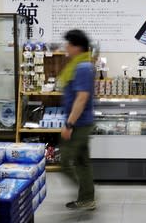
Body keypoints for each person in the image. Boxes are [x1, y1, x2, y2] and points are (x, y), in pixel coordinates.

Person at [59, 29, 96, 211]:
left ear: (77, 46)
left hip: (78, 124)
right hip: (81, 122)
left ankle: (87, 194)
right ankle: (87, 197)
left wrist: (69, 124)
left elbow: (81, 98)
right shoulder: (80, 65)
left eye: (69, 44)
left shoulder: (82, 67)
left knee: (65, 162)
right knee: (82, 162)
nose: (66, 47)